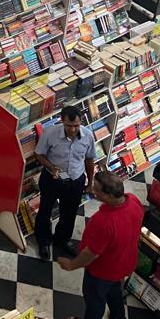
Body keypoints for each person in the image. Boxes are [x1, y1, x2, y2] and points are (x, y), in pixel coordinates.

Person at [57, 171, 143, 319]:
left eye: (97, 190)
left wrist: (71, 265)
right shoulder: (133, 201)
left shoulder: (104, 221)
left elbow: (91, 254)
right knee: (115, 293)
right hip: (124, 263)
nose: (91, 191)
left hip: (102, 271)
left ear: (110, 195)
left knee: (95, 301)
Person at [34, 105, 97, 261]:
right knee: (45, 210)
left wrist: (90, 182)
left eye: (76, 125)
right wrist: (50, 167)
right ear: (62, 121)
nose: (73, 130)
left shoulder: (88, 136)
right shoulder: (50, 134)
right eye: (69, 126)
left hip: (75, 180)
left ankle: (62, 240)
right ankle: (43, 241)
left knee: (69, 213)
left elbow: (89, 160)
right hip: (51, 179)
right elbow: (39, 154)